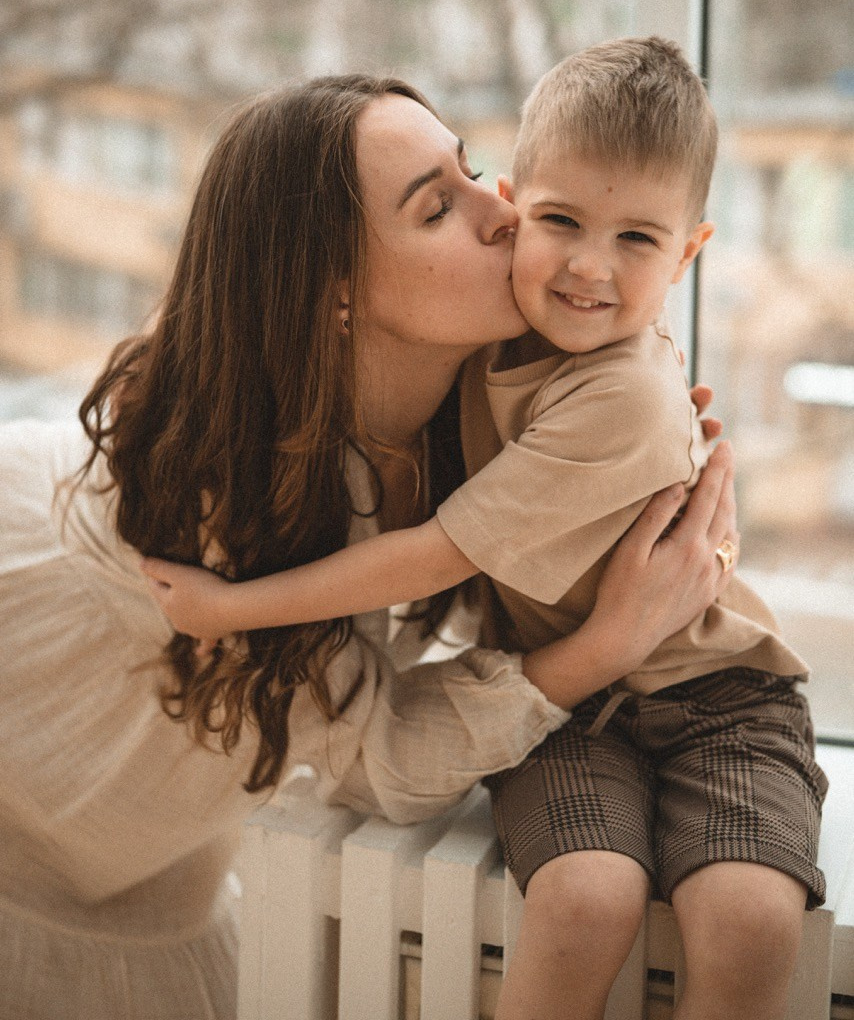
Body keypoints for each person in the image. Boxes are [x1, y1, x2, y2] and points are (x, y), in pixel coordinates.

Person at [0, 72, 737, 1020]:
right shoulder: (221, 511)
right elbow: (381, 753)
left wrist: (656, 480)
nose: (504, 209)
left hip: (147, 869)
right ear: (335, 294)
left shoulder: (478, 406)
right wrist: (606, 647)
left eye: (473, 171)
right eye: (440, 207)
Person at [144, 43, 827, 1020]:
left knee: (749, 919)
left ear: (686, 251)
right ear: (522, 201)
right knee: (584, 898)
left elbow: (438, 552)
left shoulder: (621, 392)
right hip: (565, 690)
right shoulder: (492, 340)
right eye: (557, 220)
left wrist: (232, 607)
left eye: (637, 238)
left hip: (717, 695)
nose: (586, 263)